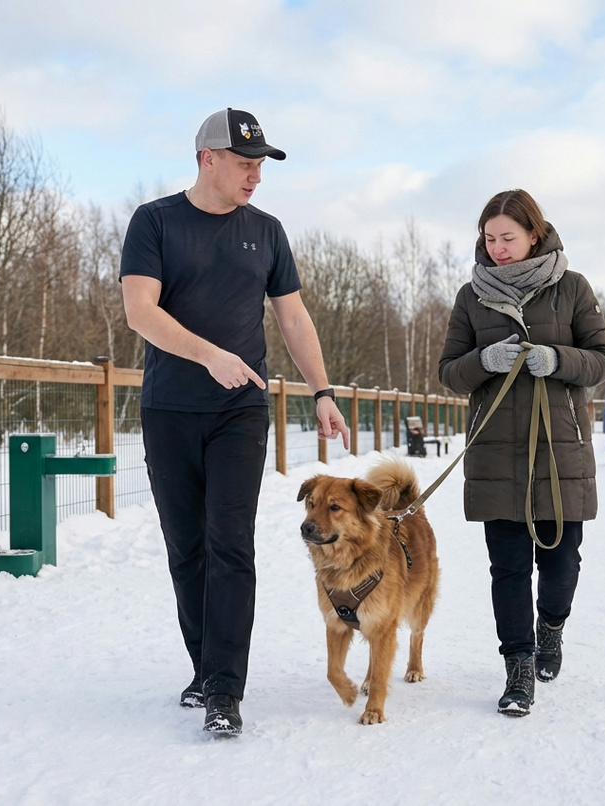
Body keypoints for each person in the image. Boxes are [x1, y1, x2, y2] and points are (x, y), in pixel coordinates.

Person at [120, 108, 349, 737]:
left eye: (260, 165)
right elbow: (139, 311)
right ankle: (204, 668)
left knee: (229, 542)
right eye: (244, 163)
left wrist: (321, 392)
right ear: (207, 159)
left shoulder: (268, 232)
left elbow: (293, 319)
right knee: (186, 549)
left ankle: (225, 687)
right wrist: (207, 353)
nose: (254, 175)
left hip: (239, 412)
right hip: (169, 409)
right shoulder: (155, 222)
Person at [439, 189, 605, 717]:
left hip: (561, 452)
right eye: (489, 238)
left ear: (533, 234)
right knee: (508, 568)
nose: (497, 248)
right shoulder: (471, 297)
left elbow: (603, 359)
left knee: (562, 562)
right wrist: (484, 360)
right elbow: (450, 373)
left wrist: (557, 358)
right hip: (495, 454)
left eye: (507, 238)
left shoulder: (573, 288)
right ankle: (518, 668)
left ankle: (552, 627)